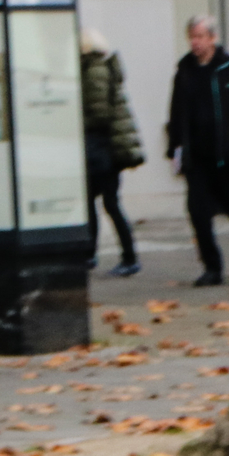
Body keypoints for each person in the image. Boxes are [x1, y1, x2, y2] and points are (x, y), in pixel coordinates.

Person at [166, 15, 229, 287]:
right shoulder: (184, 71)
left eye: (200, 36)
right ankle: (212, 267)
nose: (195, 42)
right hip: (197, 157)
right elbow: (176, 114)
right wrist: (175, 149)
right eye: (192, 37)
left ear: (212, 38)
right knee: (198, 211)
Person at [81, 28, 145, 277]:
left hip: (102, 148)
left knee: (107, 203)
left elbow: (99, 113)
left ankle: (127, 257)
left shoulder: (94, 70)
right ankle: (97, 254)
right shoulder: (98, 67)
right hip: (106, 148)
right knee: (101, 203)